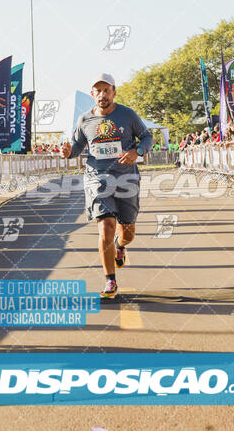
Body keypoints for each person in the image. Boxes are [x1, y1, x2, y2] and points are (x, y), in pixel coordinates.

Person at [60, 73, 153, 299]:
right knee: (106, 226)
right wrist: (68, 152)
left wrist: (137, 151)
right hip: (97, 178)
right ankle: (110, 280)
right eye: (97, 91)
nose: (102, 94)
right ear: (92, 94)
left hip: (126, 178)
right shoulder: (84, 120)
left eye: (106, 90)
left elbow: (147, 137)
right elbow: (76, 148)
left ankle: (121, 246)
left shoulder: (128, 115)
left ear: (114, 92)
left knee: (127, 231)